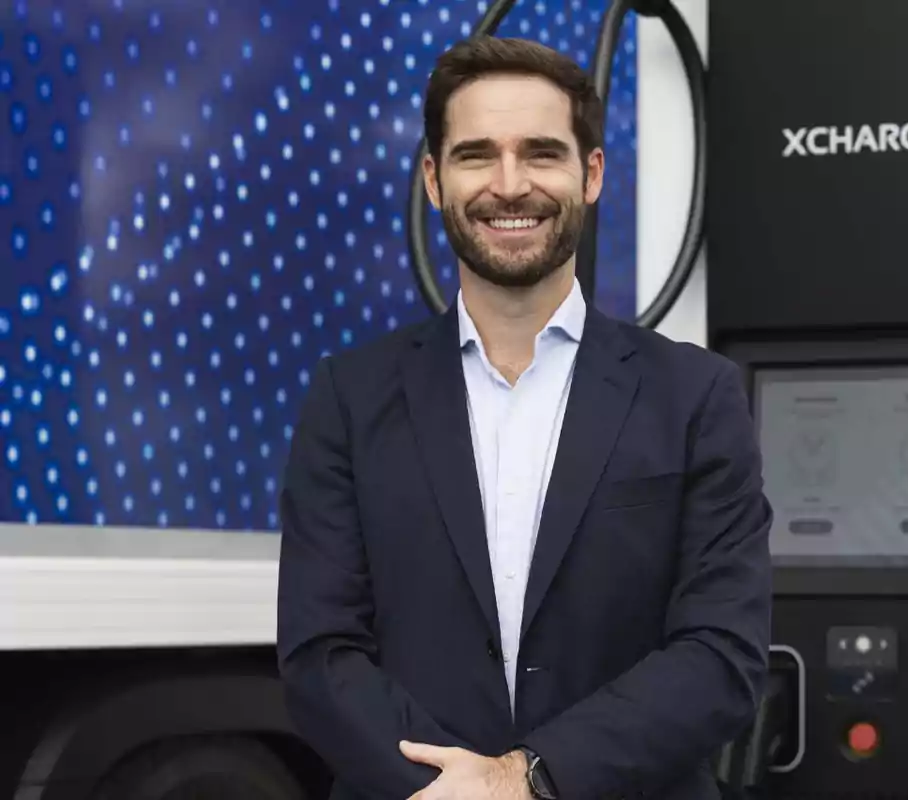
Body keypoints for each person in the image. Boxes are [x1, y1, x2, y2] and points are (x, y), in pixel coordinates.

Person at [276, 35, 773, 800]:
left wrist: (529, 780)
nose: (510, 185)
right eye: (477, 155)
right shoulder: (349, 396)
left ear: (592, 173)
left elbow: (721, 653)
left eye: (541, 153)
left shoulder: (695, 395)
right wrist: (459, 789)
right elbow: (320, 653)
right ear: (435, 182)